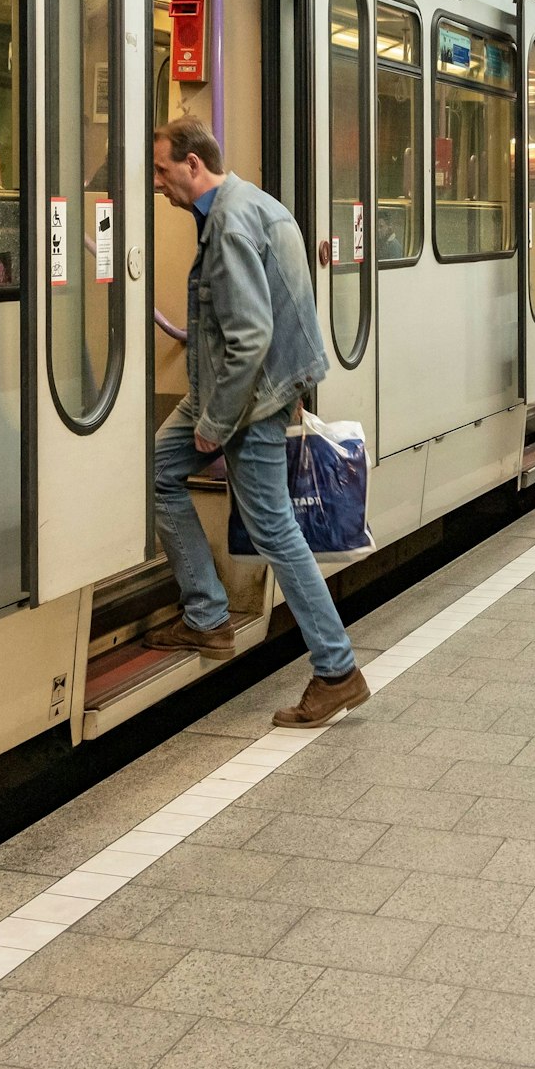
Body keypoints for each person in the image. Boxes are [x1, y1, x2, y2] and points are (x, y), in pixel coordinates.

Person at [144, 117, 370, 728]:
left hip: (245, 400)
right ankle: (207, 615)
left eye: (162, 169)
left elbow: (250, 334)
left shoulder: (231, 225)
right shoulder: (255, 205)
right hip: (241, 387)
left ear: (193, 164)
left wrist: (216, 422)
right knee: (157, 469)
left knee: (276, 532)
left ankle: (336, 669)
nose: (157, 183)